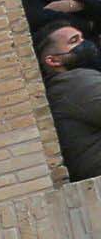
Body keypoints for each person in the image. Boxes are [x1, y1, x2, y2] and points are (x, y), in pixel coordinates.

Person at [40, 24, 101, 183]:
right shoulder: (75, 82)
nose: (84, 44)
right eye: (74, 41)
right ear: (53, 60)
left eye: (82, 38)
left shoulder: (61, 87)